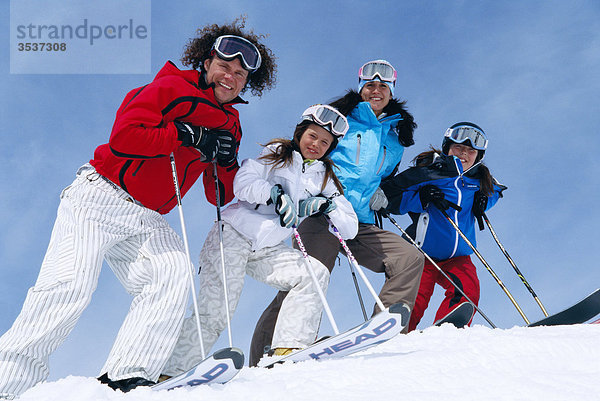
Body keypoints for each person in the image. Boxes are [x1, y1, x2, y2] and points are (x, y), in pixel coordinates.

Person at [0, 18, 276, 398]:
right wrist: (182, 133)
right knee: (67, 287)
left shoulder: (232, 123)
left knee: (172, 275)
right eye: (225, 66)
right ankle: (7, 385)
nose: (231, 76)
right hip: (100, 197)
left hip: (147, 217)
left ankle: (127, 375)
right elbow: (124, 137)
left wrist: (225, 160)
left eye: (241, 74)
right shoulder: (172, 86)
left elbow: (218, 195)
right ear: (207, 62)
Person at [249, 60, 424, 366]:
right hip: (321, 215)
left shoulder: (395, 139)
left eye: (383, 86)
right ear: (361, 87)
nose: (376, 90)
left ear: (391, 92)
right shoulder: (341, 122)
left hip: (360, 223)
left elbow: (384, 179)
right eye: (370, 84)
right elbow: (311, 152)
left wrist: (389, 193)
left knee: (408, 258)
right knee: (305, 283)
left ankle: (385, 331)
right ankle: (267, 352)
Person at [162, 104, 358, 376]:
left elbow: (350, 228)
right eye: (313, 136)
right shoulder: (277, 155)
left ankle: (288, 347)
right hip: (232, 235)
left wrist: (328, 207)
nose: (317, 144)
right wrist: (273, 194)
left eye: (325, 142)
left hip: (267, 249)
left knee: (313, 274)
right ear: (301, 132)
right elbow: (242, 182)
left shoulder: (324, 178)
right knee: (217, 311)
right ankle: (171, 371)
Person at [381, 122, 506, 331]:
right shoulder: (429, 173)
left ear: (479, 156)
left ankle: (446, 330)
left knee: (468, 290)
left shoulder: (479, 180)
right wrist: (421, 197)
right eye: (458, 148)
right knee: (416, 299)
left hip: (458, 256)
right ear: (447, 147)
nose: (464, 154)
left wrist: (484, 199)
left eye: (471, 151)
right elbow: (390, 196)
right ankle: (398, 336)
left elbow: (497, 191)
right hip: (421, 255)